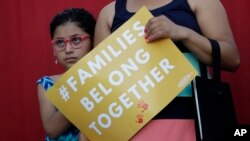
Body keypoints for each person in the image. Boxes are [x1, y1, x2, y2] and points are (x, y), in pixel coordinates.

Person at [94, 0, 240, 140]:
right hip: (131, 128)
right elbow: (100, 87)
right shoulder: (109, 14)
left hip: (194, 123)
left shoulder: (199, 1)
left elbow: (231, 59)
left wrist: (183, 33)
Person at [36, 8, 95, 141]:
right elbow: (52, 130)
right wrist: (82, 90)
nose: (68, 50)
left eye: (76, 40)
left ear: (92, 41)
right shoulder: (47, 84)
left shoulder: (110, 78)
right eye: (60, 43)